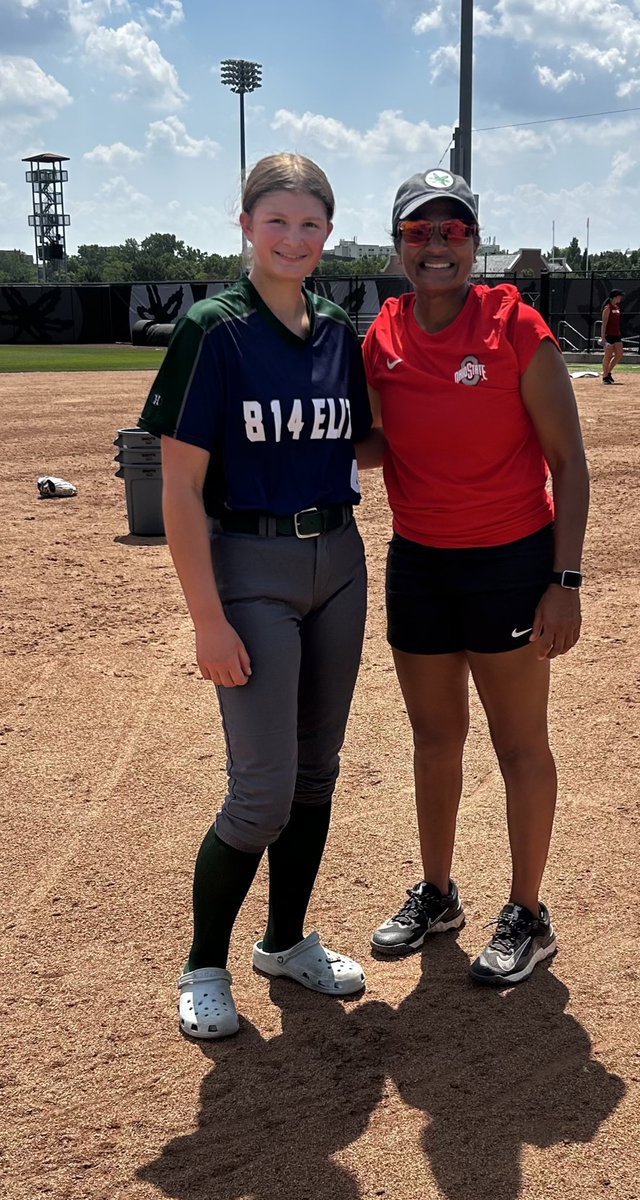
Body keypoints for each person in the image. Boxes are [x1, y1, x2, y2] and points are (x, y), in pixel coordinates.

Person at [137, 153, 382, 1039]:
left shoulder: (336, 331)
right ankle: (204, 963)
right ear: (245, 226)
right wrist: (206, 618)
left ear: (327, 233)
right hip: (250, 569)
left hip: (339, 563)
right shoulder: (216, 327)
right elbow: (177, 485)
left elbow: (366, 446)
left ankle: (285, 942)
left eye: (309, 223)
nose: (293, 238)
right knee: (261, 793)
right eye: (275, 221)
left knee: (317, 774)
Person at [362, 168, 589, 987]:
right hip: (418, 561)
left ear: (474, 242)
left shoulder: (514, 327)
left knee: (519, 742)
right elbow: (375, 446)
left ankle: (528, 913)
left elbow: (568, 460)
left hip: (508, 563)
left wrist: (563, 579)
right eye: (418, 232)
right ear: (397, 249)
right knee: (434, 739)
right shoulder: (378, 336)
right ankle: (437, 892)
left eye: (452, 231)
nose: (436, 246)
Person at [600, 290, 624, 384]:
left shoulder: (617, 307)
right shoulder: (607, 308)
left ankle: (608, 372)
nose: (620, 298)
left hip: (616, 334)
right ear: (613, 297)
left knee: (619, 354)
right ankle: (605, 377)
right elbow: (604, 323)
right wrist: (603, 337)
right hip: (608, 335)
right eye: (619, 296)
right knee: (608, 355)